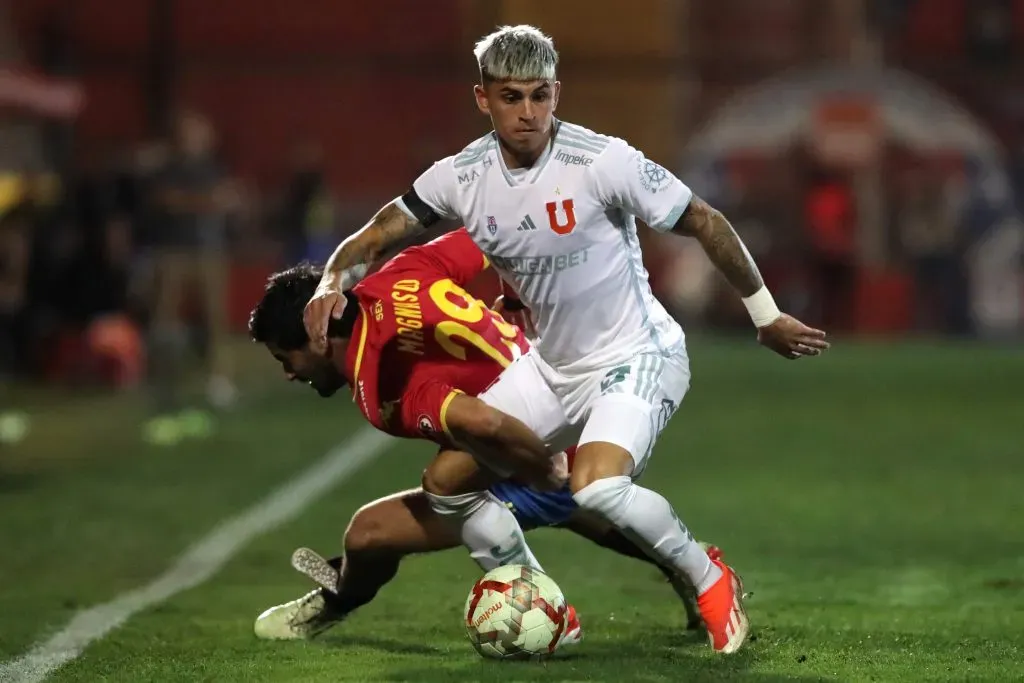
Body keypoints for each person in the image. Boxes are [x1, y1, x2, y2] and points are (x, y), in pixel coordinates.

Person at [303, 26, 830, 654]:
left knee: (597, 487)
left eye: (539, 95)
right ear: (482, 99)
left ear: (557, 92)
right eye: (511, 97)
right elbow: (374, 235)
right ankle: (541, 602)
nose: (528, 113)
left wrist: (764, 315)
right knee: (449, 483)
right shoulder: (460, 176)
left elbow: (705, 221)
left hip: (637, 353)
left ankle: (709, 576)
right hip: (552, 368)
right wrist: (331, 280)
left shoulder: (603, 161)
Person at [247, 229, 717, 641]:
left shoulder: (380, 385)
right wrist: (514, 298)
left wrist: (541, 468)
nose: (289, 374)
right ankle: (680, 564)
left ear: (316, 337)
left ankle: (545, 610)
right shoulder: (401, 271)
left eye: (284, 359)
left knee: (391, 521)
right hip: (570, 398)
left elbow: (483, 423)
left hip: (533, 435)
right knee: (558, 502)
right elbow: (501, 237)